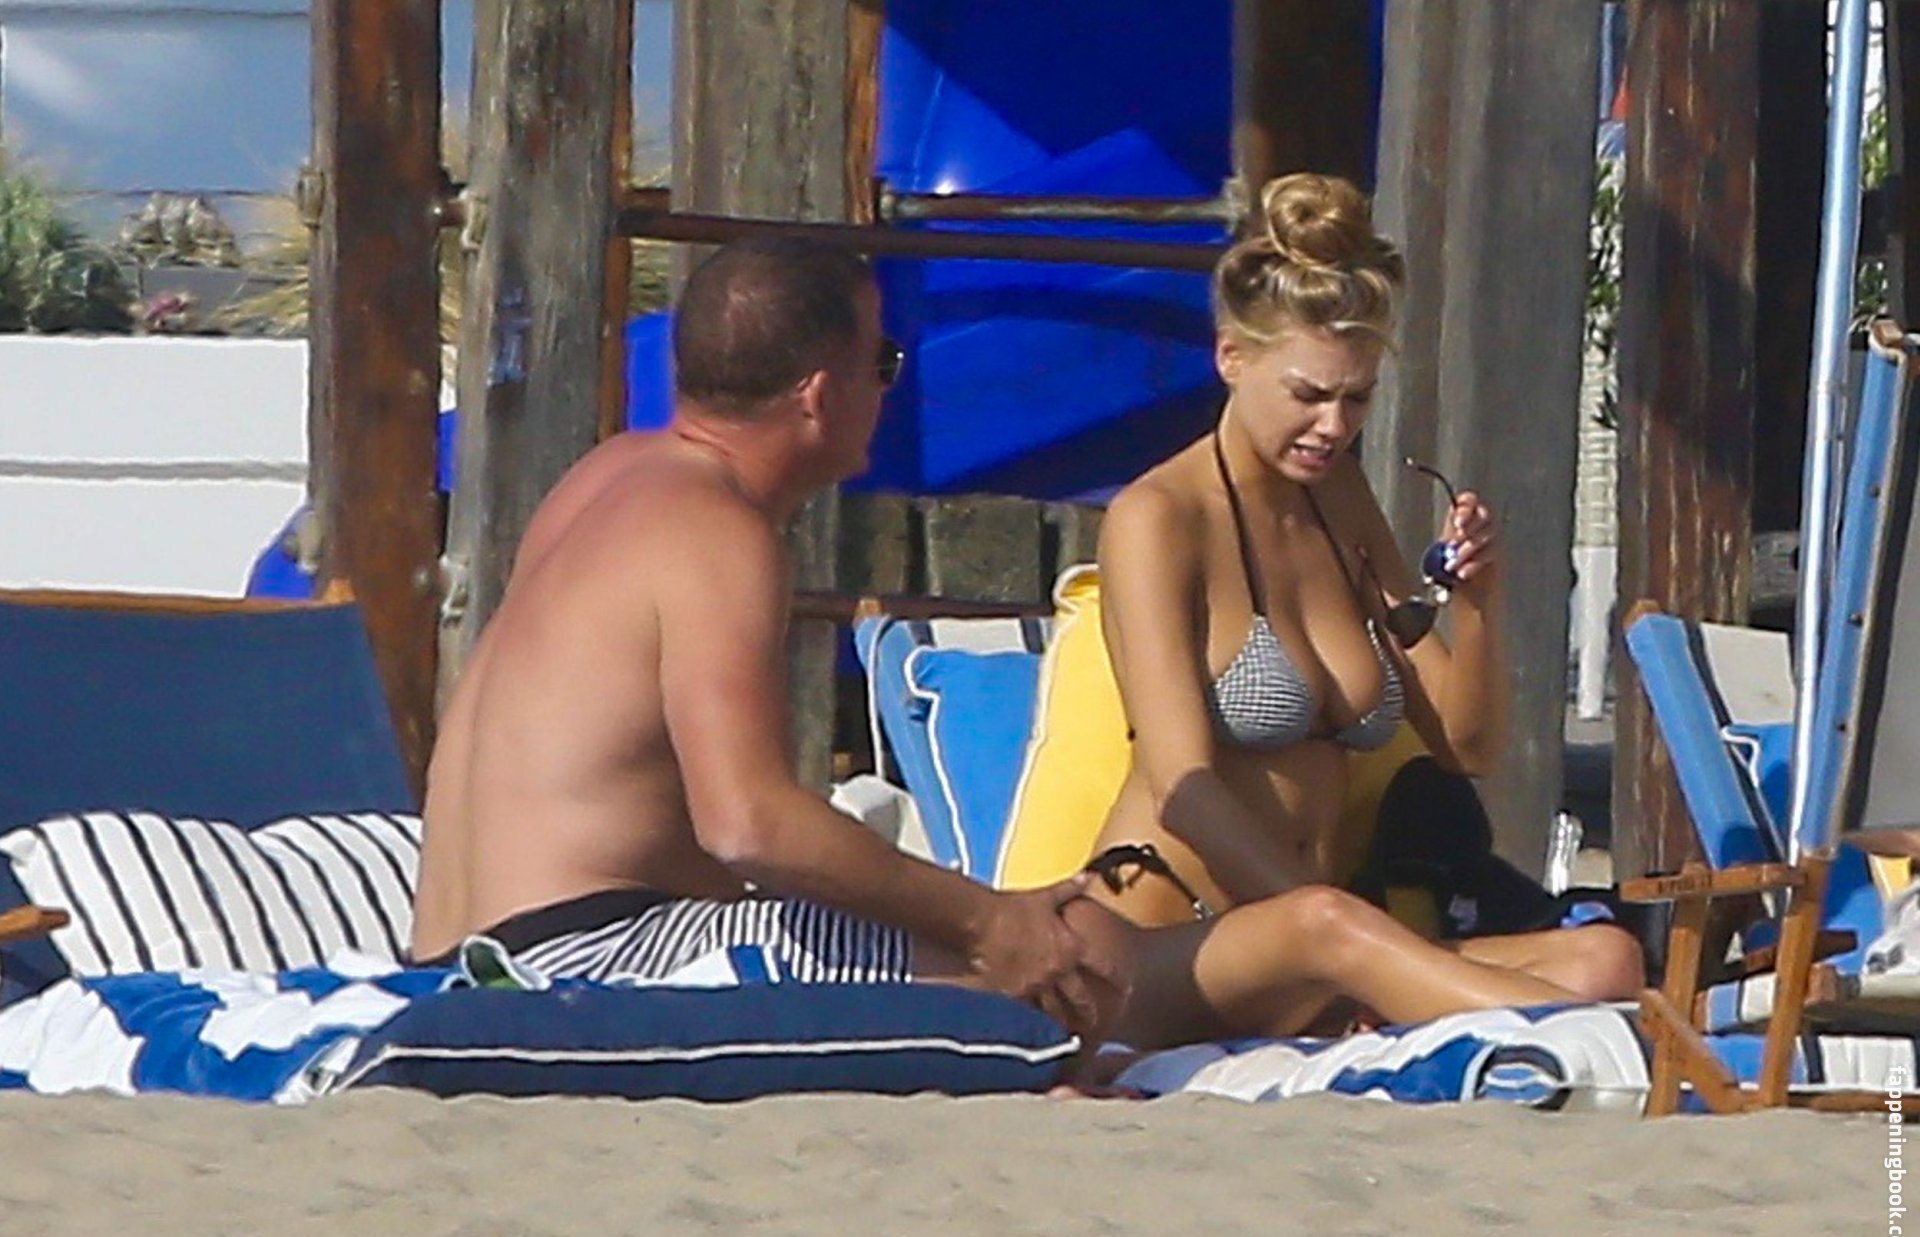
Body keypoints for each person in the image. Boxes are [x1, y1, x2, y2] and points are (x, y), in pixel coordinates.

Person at [409, 233, 1623, 1056]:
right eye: (883, 362)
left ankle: (1496, 1004)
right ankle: (1544, 1040)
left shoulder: (609, 480)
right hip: (593, 956)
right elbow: (750, 822)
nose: (893, 388)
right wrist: (987, 918)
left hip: (482, 940)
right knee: (1062, 958)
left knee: (1042, 941)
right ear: (820, 393)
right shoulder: (717, 533)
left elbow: (659, 813)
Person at [1084, 173, 1644, 1028]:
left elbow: (1468, 745)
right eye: (1308, 395)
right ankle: (1623, 1048)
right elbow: (1181, 790)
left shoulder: (1338, 499)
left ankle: (1584, 1033)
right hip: (1166, 943)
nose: (1333, 427)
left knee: (1605, 956)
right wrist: (1335, 935)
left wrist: (1479, 605)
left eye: (1357, 398)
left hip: (1322, 941)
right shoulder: (1158, 518)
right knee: (1333, 929)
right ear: (1231, 358)